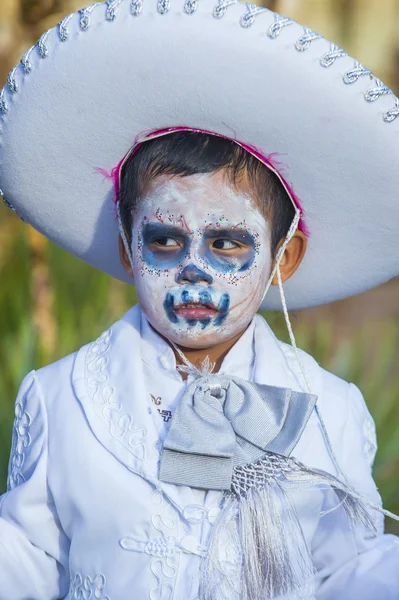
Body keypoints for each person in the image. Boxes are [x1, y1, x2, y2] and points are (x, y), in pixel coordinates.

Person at [1, 1, 399, 599]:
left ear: (281, 259)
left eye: (226, 242)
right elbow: (26, 558)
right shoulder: (61, 399)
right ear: (128, 250)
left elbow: (349, 568)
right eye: (165, 240)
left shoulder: (328, 409)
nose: (194, 271)